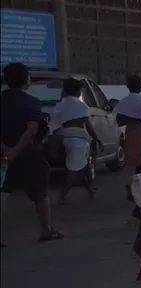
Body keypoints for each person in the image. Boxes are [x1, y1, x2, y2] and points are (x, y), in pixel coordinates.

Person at [1, 62, 60, 245]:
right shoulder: (32, 102)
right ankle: (46, 230)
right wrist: (16, 149)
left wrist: (5, 150)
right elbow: (31, 130)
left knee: (2, 194)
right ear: (26, 80)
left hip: (2, 157)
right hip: (30, 155)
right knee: (40, 194)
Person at [51, 78, 101, 204]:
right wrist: (97, 140)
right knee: (74, 170)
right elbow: (88, 126)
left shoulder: (60, 104)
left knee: (79, 167)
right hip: (79, 139)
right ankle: (62, 197)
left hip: (67, 137)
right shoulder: (81, 105)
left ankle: (89, 191)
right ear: (78, 91)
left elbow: (55, 126)